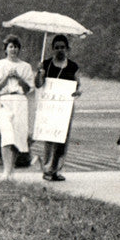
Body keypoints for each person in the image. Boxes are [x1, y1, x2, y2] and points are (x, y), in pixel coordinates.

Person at [33, 34, 81, 181]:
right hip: (50, 106)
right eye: (57, 47)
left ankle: (56, 169)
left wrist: (77, 91)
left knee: (62, 139)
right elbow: (38, 84)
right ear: (52, 49)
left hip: (65, 107)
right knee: (49, 138)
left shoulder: (73, 66)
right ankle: (47, 169)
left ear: (67, 49)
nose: (60, 50)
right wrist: (39, 73)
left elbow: (77, 85)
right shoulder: (45, 64)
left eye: (62, 47)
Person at [0, 35, 36, 179]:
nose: (13, 49)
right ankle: (6, 171)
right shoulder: (0, 65)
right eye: (10, 46)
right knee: (7, 133)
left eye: (16, 47)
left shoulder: (25, 66)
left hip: (20, 101)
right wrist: (7, 77)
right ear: (6, 49)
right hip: (4, 100)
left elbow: (29, 89)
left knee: (17, 136)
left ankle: (11, 172)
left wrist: (18, 77)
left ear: (19, 49)